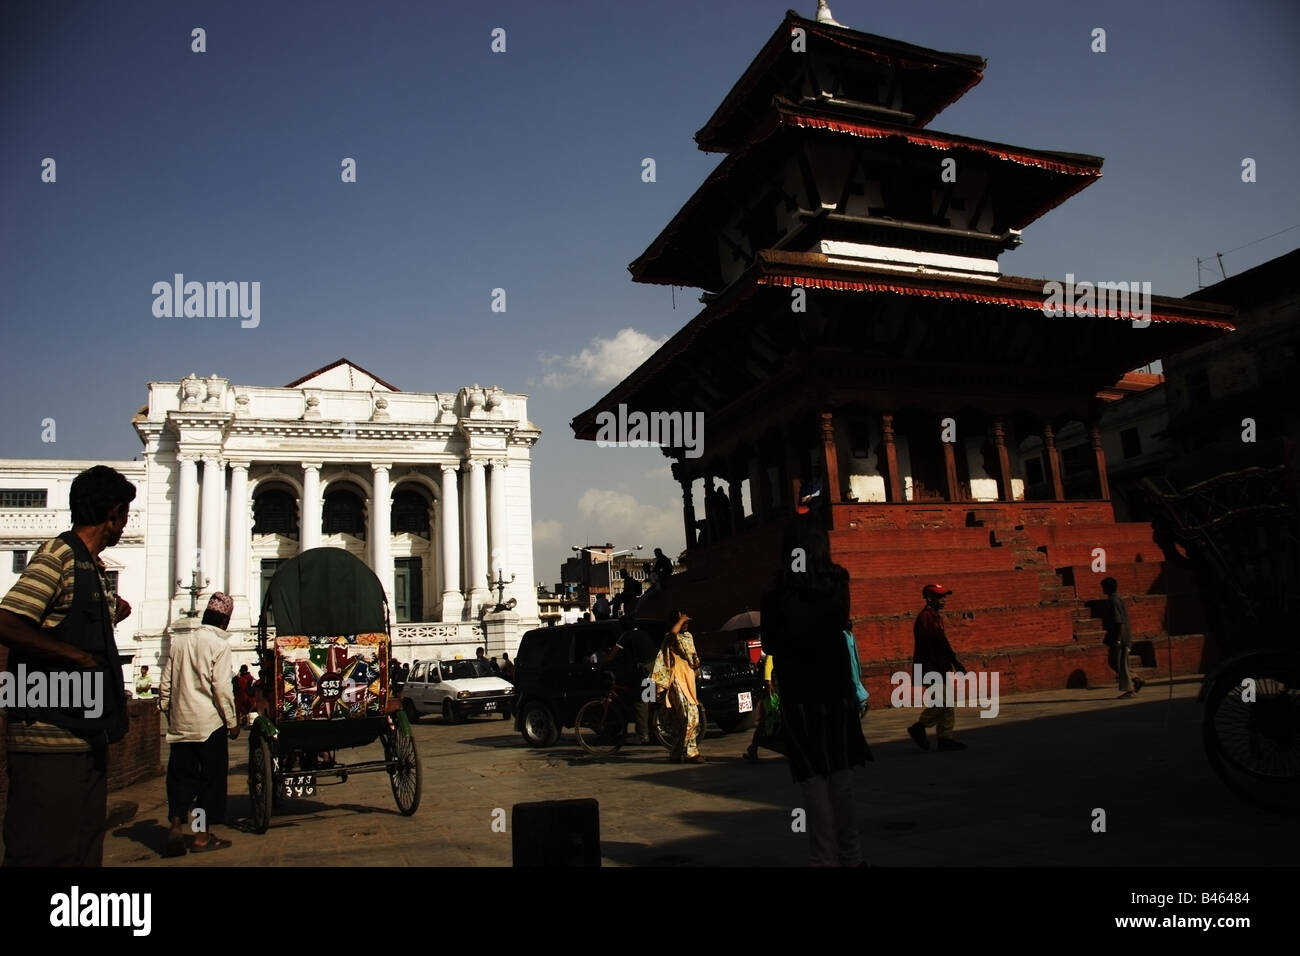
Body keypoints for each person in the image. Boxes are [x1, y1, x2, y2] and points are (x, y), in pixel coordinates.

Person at [0, 464, 134, 867]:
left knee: (81, 847)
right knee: (43, 850)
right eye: (124, 514)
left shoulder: (91, 567)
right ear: (112, 514)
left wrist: (113, 610)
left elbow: (77, 619)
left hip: (84, 735)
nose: (125, 525)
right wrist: (74, 658)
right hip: (47, 740)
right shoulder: (57, 555)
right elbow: (6, 620)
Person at [761, 515, 870, 866]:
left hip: (799, 693)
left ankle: (823, 860)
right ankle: (851, 857)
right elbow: (840, 624)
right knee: (841, 774)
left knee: (813, 780)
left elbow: (770, 644)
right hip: (835, 690)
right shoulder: (838, 583)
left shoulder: (777, 594)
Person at [159, 592, 240, 856]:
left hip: (181, 724)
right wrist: (232, 721)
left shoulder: (180, 643)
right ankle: (201, 835)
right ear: (225, 621)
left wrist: (167, 711)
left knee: (180, 777)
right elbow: (221, 687)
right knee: (209, 781)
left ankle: (174, 827)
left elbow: (166, 685)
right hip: (208, 724)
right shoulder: (219, 646)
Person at [907, 584, 967, 751]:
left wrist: (954, 662)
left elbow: (943, 643)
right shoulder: (926, 618)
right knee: (943, 702)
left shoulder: (934, 617)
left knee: (947, 703)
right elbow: (933, 645)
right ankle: (919, 727)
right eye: (940, 597)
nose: (944, 600)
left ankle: (945, 738)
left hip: (939, 666)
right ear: (929, 599)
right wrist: (952, 662)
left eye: (944, 597)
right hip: (931, 667)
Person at [652, 611, 703, 763]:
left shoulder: (689, 637)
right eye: (682, 622)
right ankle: (691, 753)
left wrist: (696, 670)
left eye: (687, 622)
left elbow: (693, 656)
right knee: (691, 716)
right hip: (677, 680)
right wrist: (680, 621)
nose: (686, 624)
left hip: (689, 679)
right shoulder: (670, 637)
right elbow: (673, 633)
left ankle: (676, 753)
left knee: (681, 720)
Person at [1102, 577, 1144, 698]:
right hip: (1121, 636)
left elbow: (1119, 622)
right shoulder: (1118, 599)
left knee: (1120, 664)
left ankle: (1130, 690)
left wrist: (1118, 639)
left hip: (1119, 638)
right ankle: (1135, 678)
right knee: (1116, 663)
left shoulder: (1113, 601)